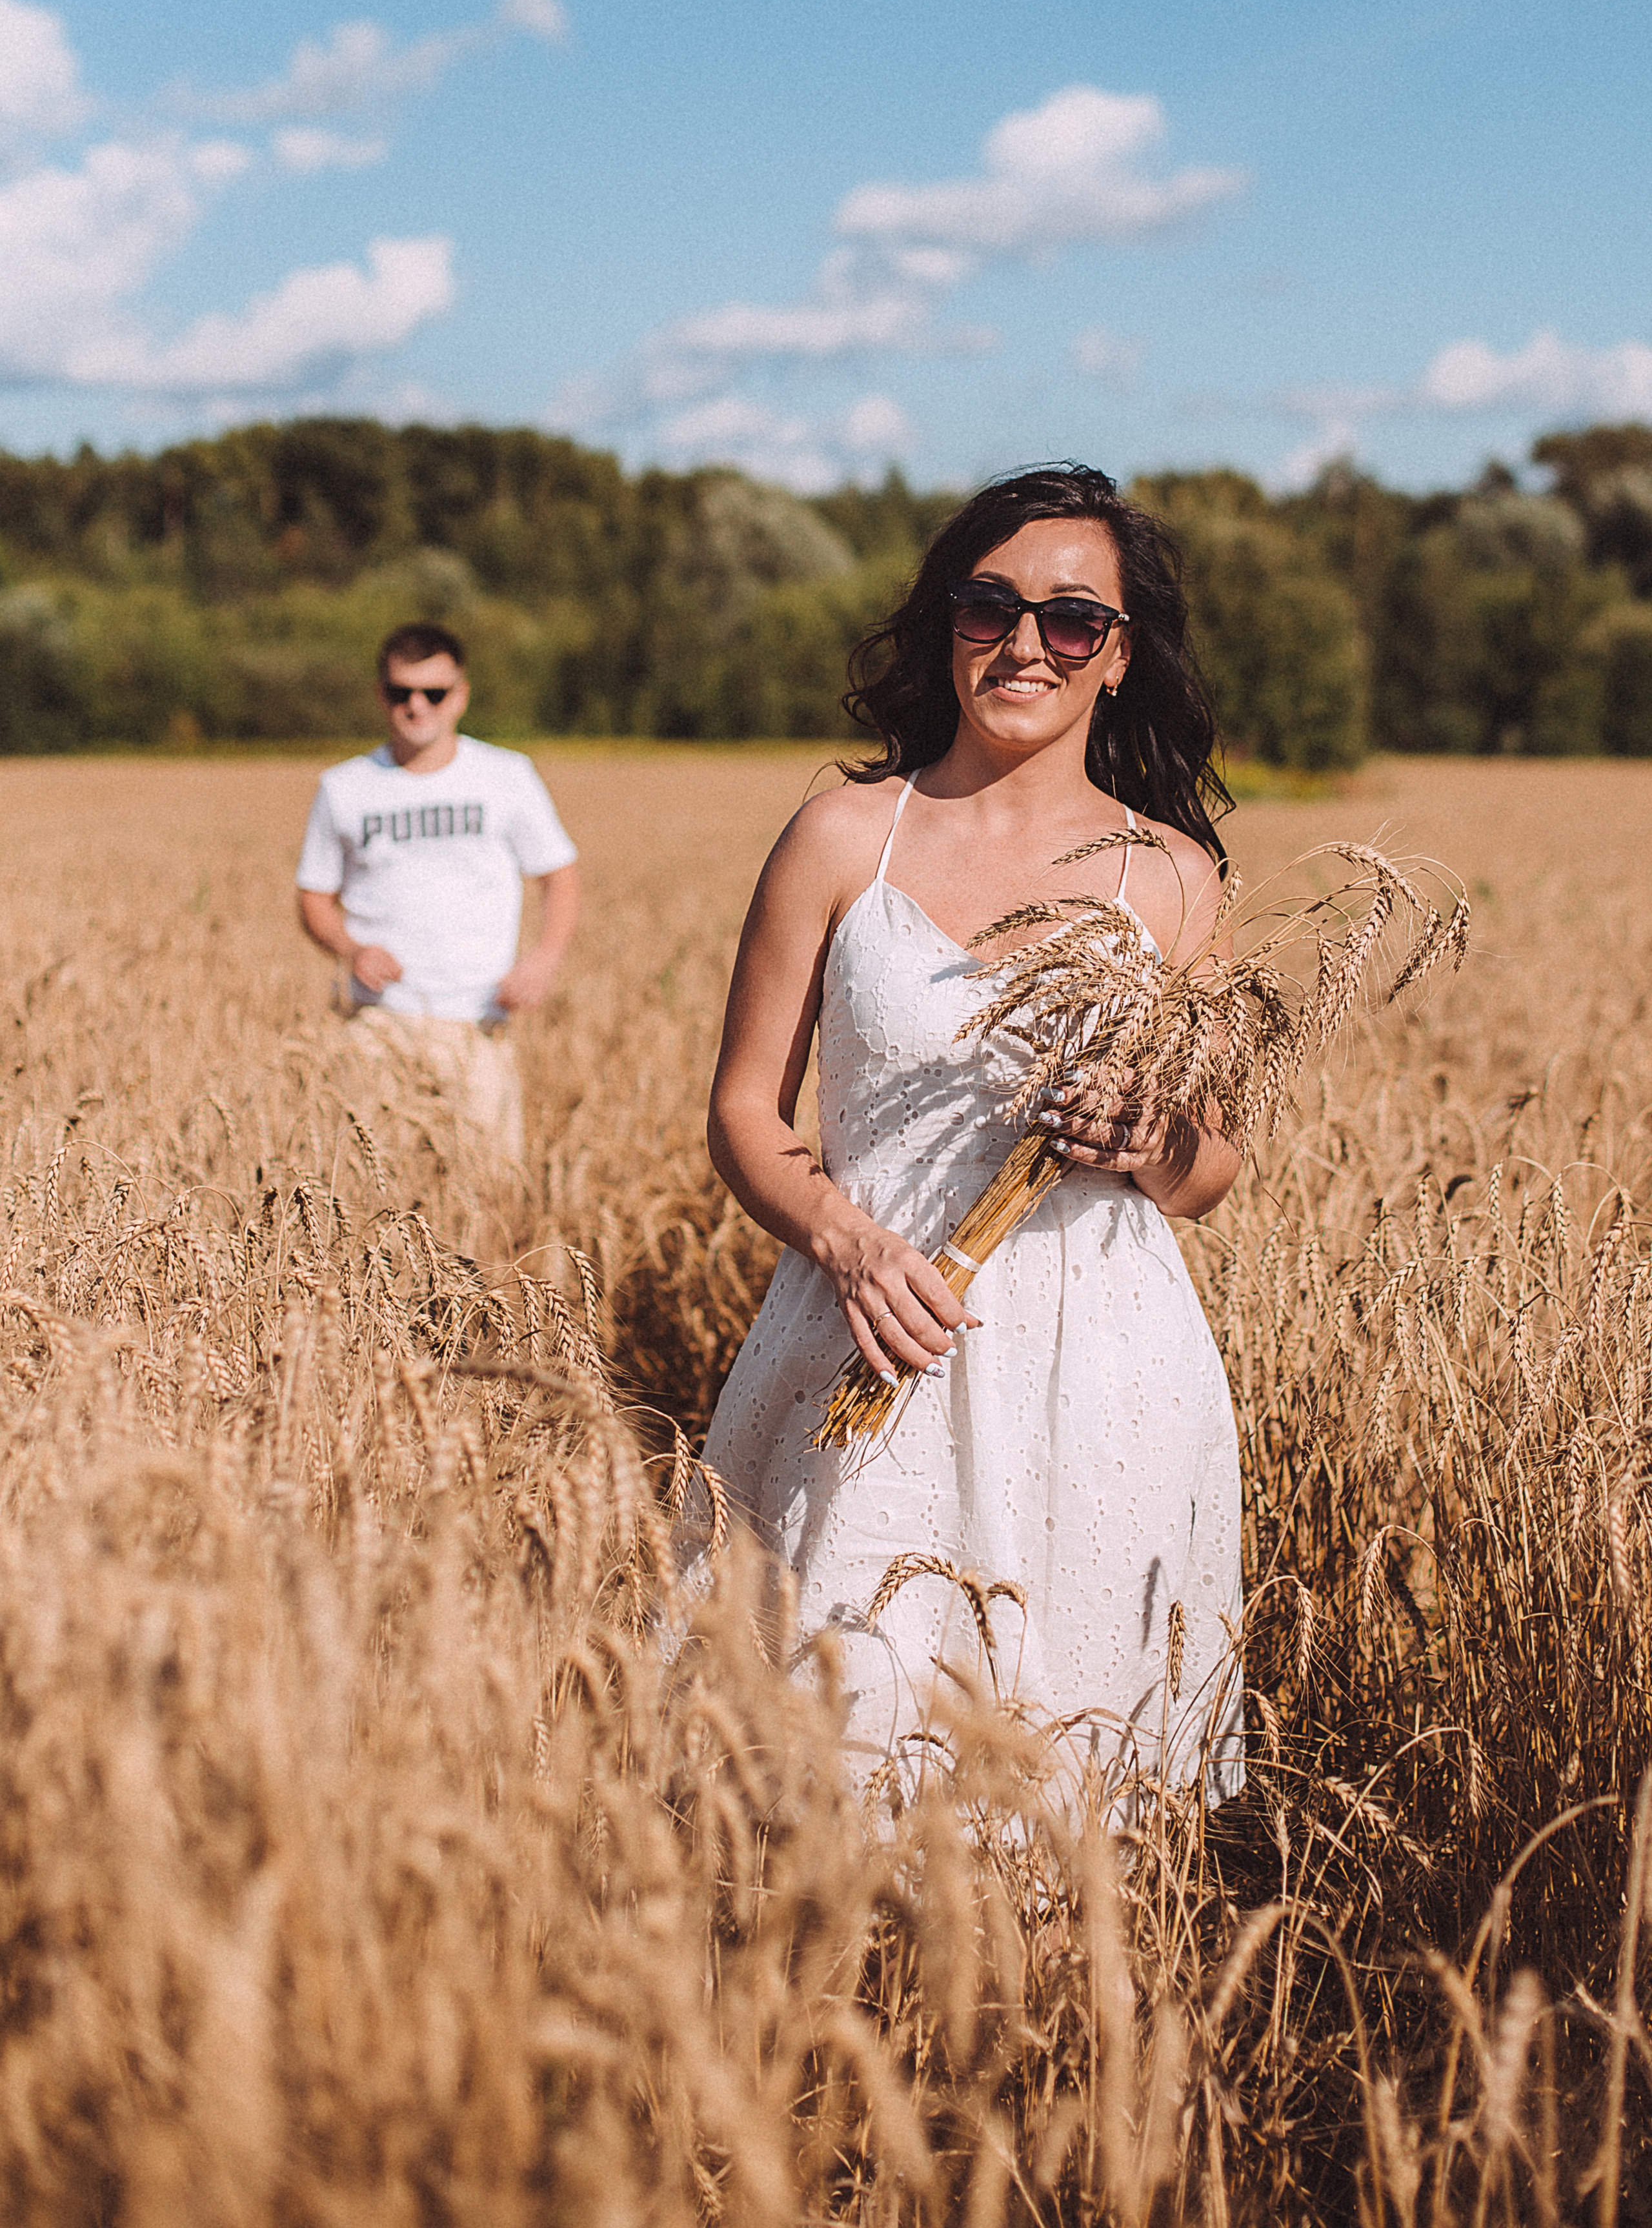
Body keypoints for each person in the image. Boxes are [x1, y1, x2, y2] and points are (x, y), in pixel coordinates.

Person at [699, 465, 1244, 1799]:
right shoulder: (840, 839)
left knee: (1075, 1782)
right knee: (823, 1757)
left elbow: (1211, 1166)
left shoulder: (1173, 878)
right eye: (986, 604)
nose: (1022, 644)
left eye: (1070, 621)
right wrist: (842, 1239)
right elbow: (739, 1112)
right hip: (865, 1333)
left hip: (1102, 1373)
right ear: (944, 623)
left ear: (1116, 661)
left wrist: (1142, 1136)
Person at [296, 621, 579, 1167]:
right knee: (366, 1190)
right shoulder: (343, 788)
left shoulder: (506, 776)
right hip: (378, 1023)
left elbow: (560, 876)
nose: (417, 707)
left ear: (461, 697)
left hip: (477, 1020)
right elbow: (312, 898)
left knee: (491, 1193)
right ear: (382, 696)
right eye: (402, 693)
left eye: (434, 693)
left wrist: (545, 960)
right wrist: (352, 951)